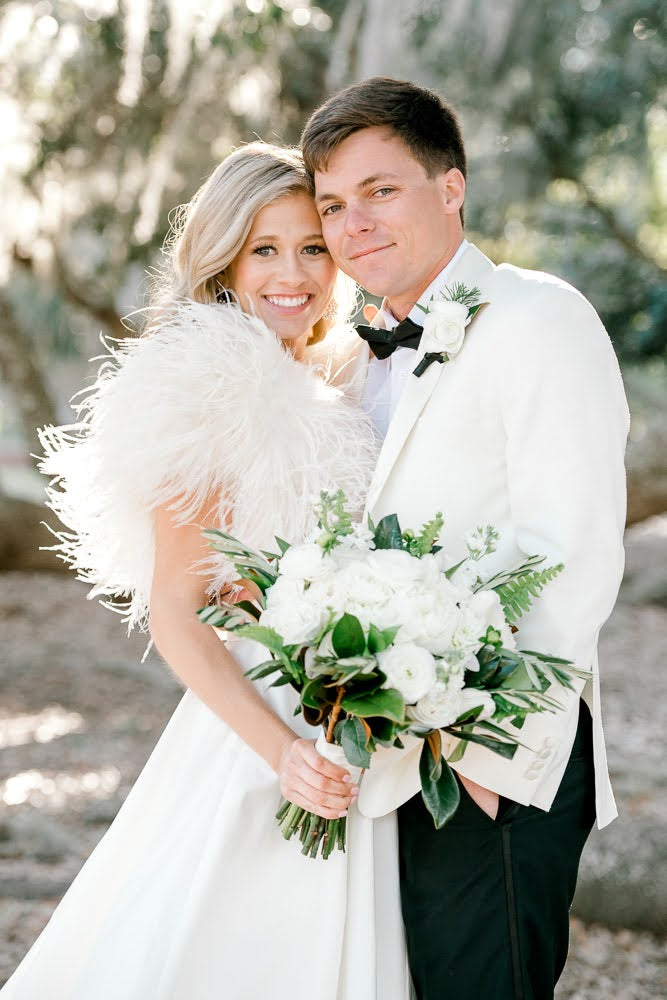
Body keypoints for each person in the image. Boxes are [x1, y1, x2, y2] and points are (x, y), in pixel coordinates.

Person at [2, 143, 413, 999]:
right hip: (261, 730)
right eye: (264, 249)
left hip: (349, 711)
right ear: (224, 259)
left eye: (310, 247)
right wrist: (285, 754)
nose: (292, 273)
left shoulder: (333, 368)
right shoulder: (207, 379)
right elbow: (177, 613)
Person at [301, 77, 630, 1000]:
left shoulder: (539, 318)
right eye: (332, 203)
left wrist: (488, 757)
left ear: (451, 188)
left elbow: (570, 554)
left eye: (380, 189)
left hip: (487, 765)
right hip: (379, 755)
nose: (352, 221)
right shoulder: (353, 355)